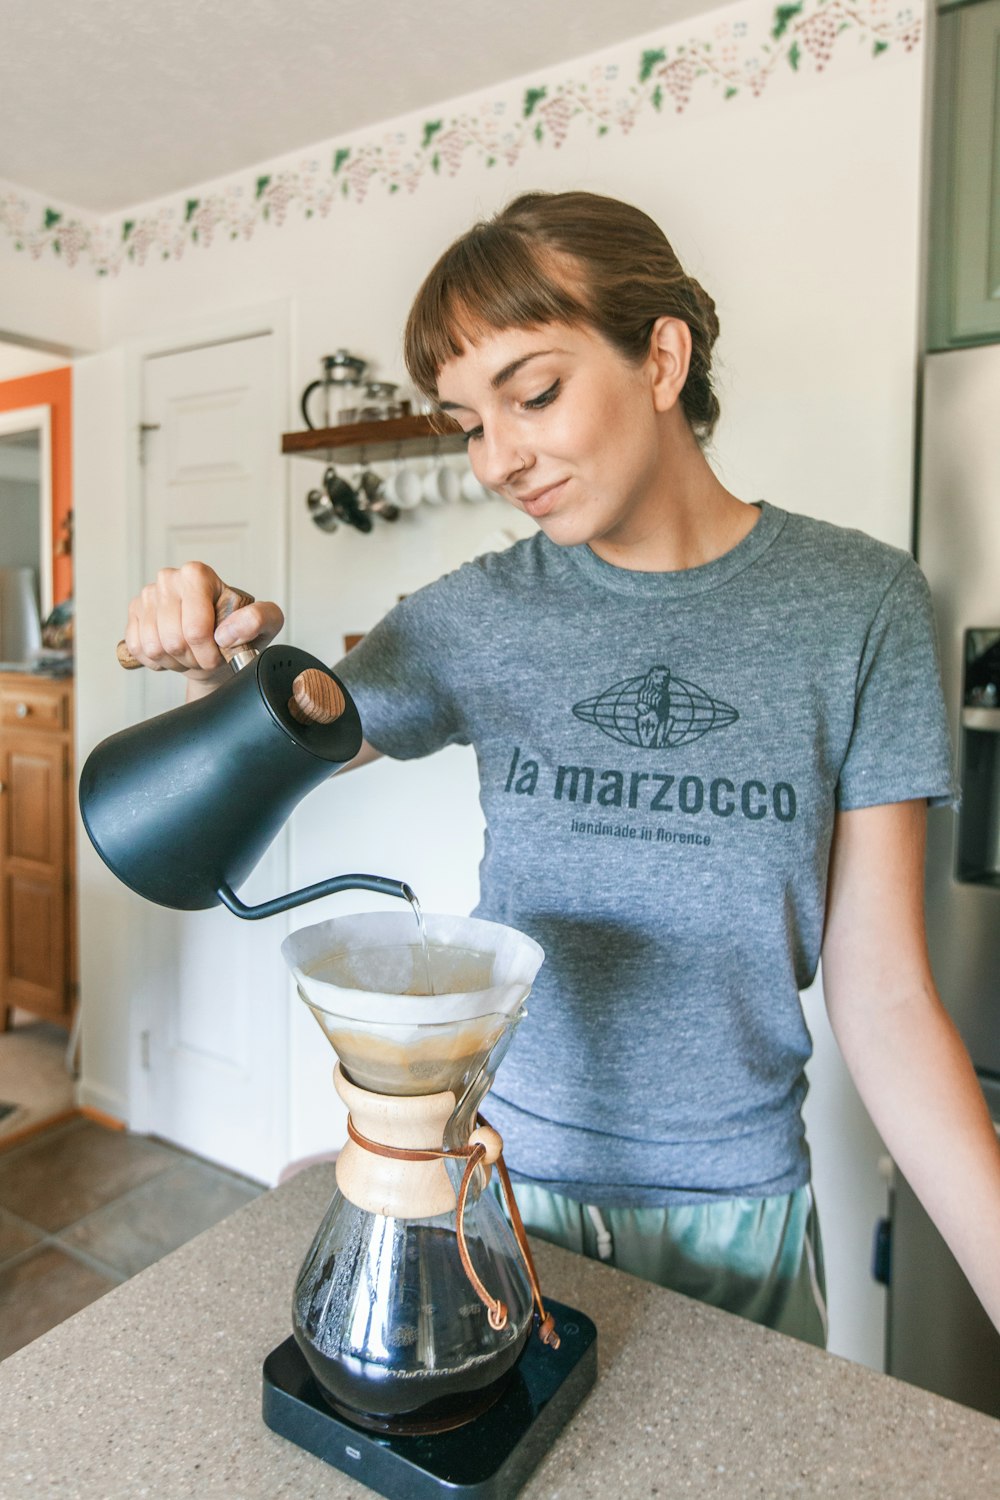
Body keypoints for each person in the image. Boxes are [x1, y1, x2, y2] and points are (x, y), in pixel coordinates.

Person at [124, 190, 1000, 1348]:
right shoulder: (480, 617)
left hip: (737, 1211)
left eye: (531, 394)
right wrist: (210, 658)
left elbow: (883, 999)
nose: (498, 458)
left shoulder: (858, 605)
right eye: (467, 423)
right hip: (498, 1191)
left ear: (662, 357)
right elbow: (279, 749)